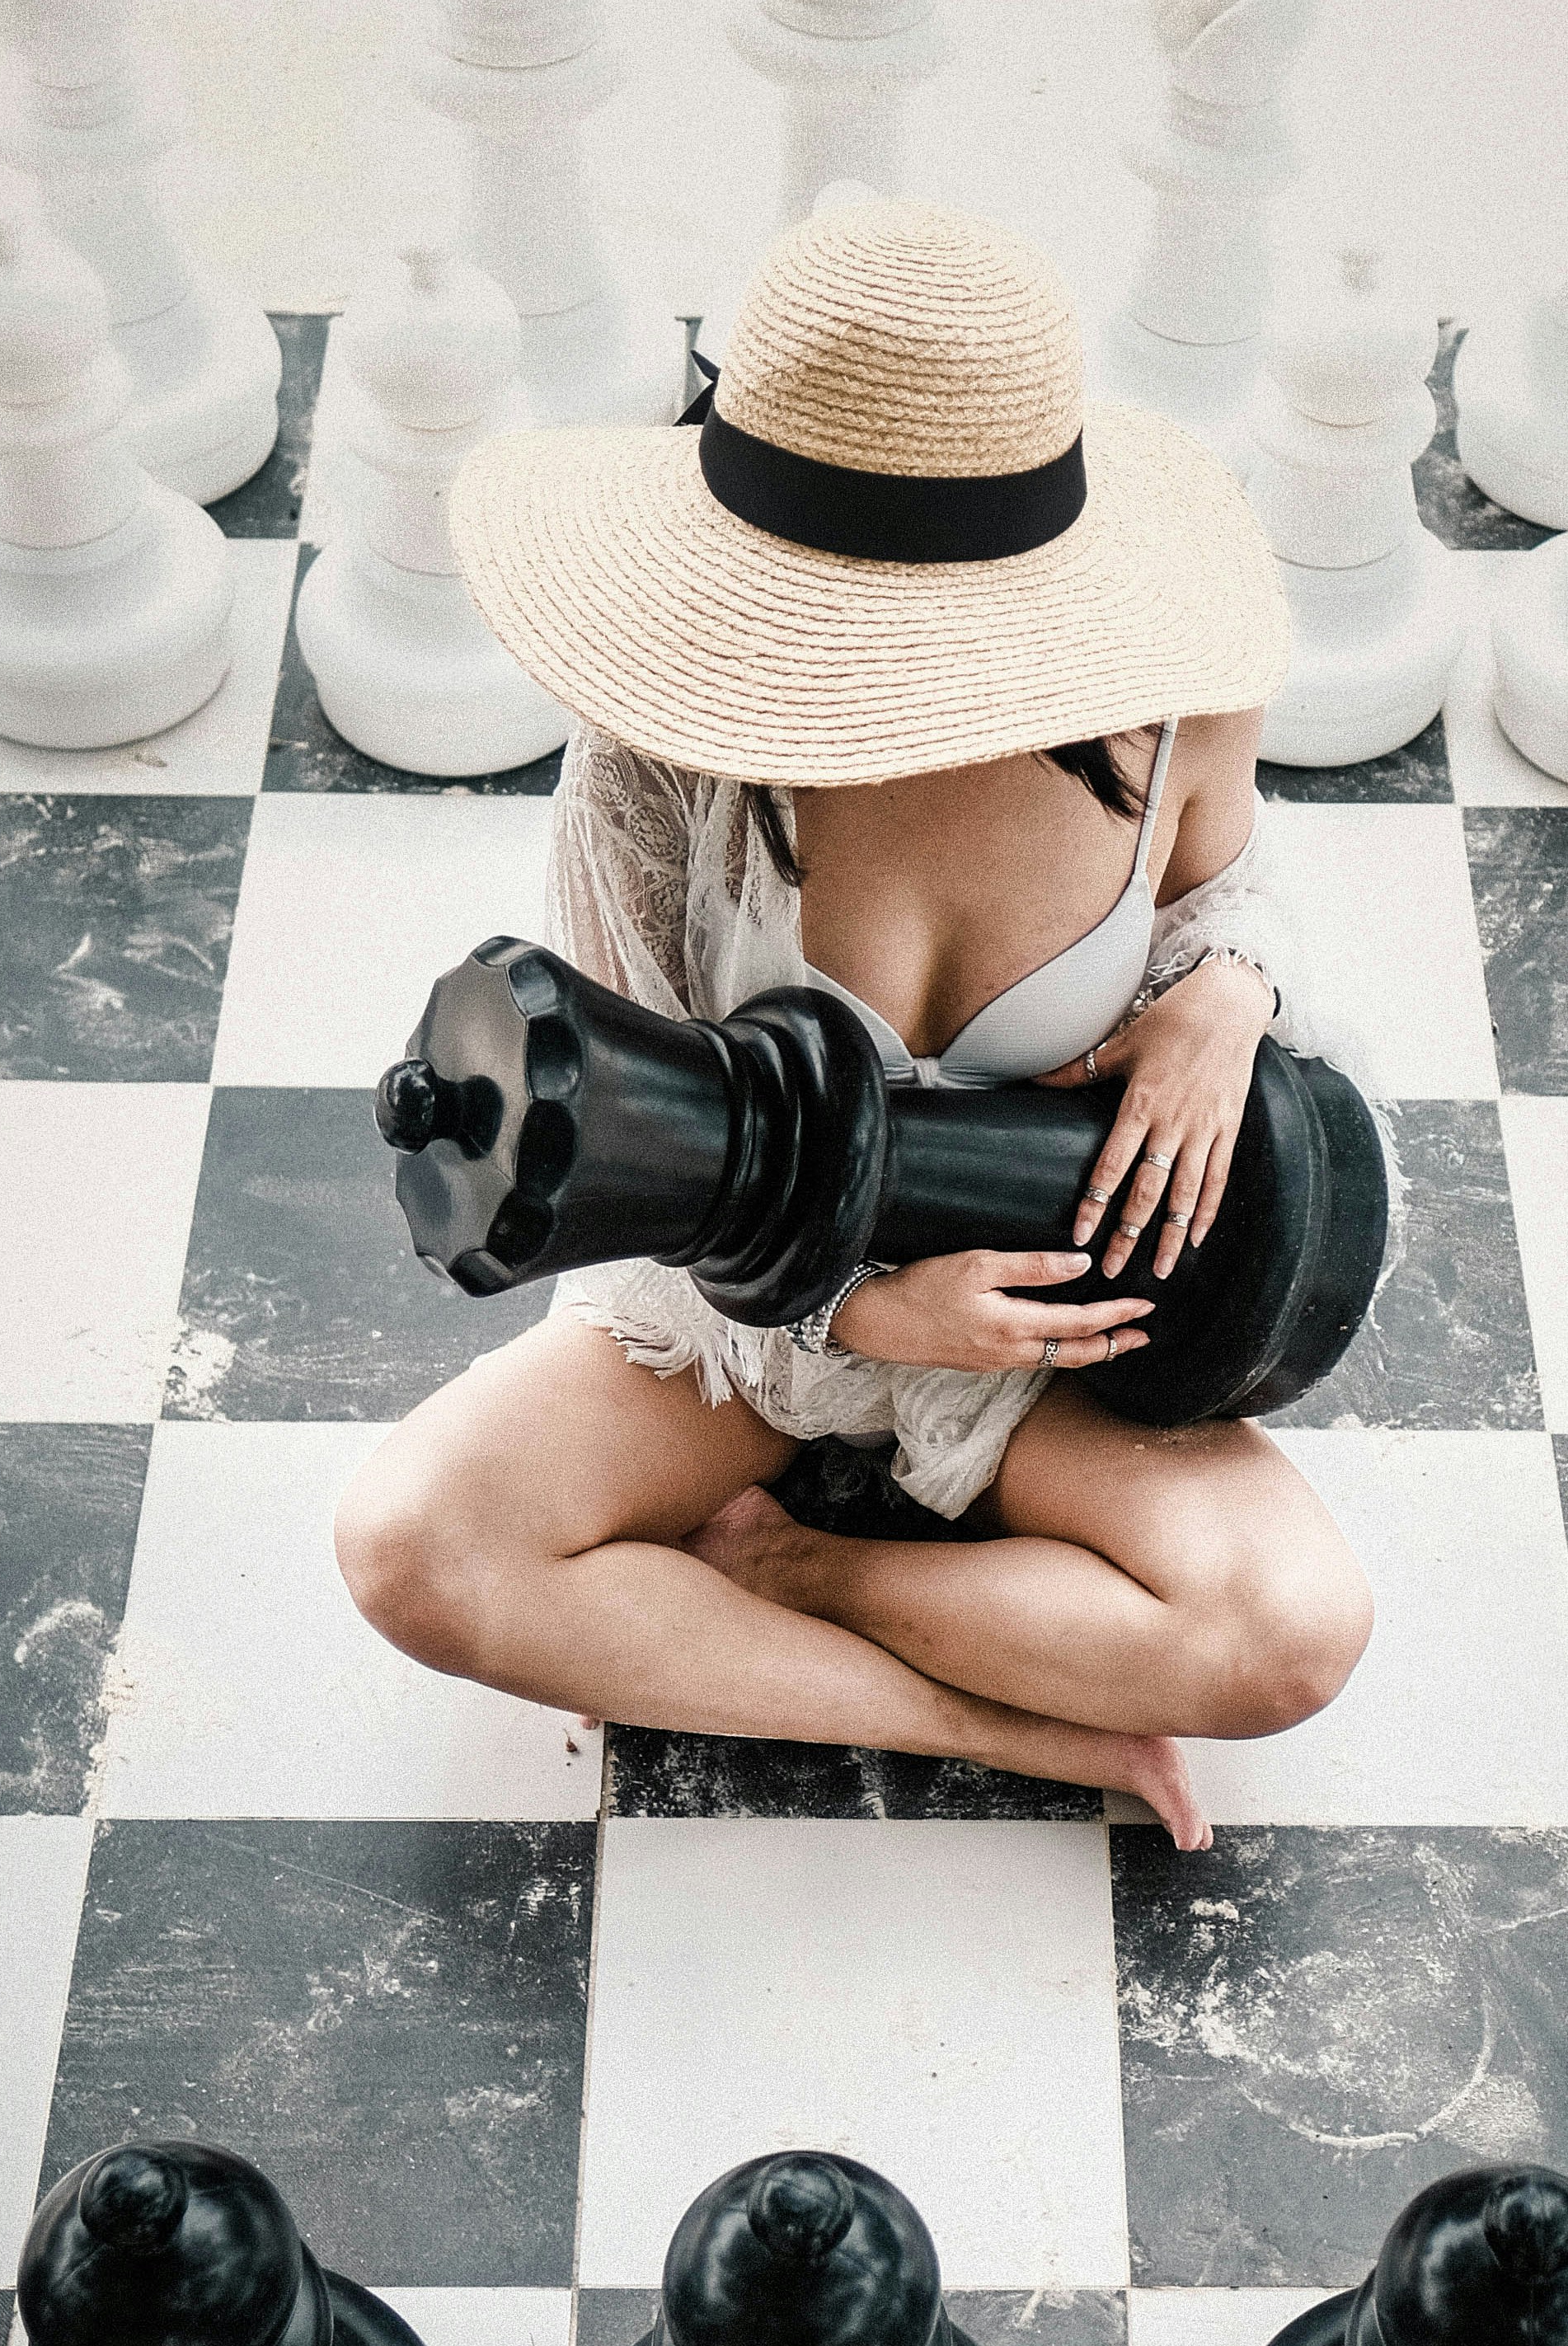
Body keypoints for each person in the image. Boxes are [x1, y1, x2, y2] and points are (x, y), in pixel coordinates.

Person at [335, 199, 1373, 1853]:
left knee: (1288, 1633)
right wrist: (873, 1322)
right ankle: (975, 1713)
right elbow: (640, 1170)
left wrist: (1223, 995)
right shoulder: (654, 760)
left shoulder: (1179, 680)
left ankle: (802, 1571)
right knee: (414, 1546)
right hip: (745, 1334)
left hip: (1050, 1353)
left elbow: (1232, 893)